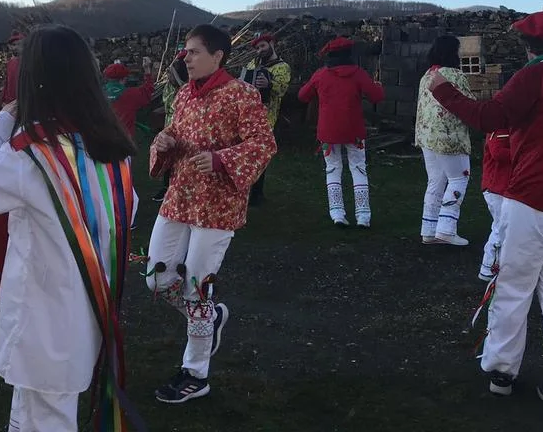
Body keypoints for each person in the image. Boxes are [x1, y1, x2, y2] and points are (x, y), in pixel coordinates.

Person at [0, 25, 142, 432]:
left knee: (44, 420)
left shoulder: (32, 155)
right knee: (41, 415)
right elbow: (129, 211)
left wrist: (2, 120)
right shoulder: (111, 149)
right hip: (89, 315)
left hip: (42, 326)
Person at [427, 7, 543, 420]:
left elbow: (491, 117)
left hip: (536, 198)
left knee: (514, 286)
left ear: (528, 45)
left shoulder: (536, 74)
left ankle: (501, 370)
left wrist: (443, 90)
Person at [147, 24, 276, 404]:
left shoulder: (242, 95)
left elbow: (263, 143)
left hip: (217, 205)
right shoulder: (184, 94)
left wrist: (221, 159)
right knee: (157, 277)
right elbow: (176, 132)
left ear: (218, 56)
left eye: (194, 52)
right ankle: (208, 318)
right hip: (179, 197)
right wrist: (163, 141)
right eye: (185, 51)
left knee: (197, 286)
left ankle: (195, 372)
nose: (185, 58)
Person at [297, 37, 385, 227]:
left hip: (328, 133)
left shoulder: (321, 75)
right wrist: (377, 85)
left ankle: (337, 213)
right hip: (354, 131)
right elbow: (377, 96)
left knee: (333, 169)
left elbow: (303, 96)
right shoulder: (359, 74)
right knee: (358, 168)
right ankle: (363, 216)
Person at [414, 36, 476, 245]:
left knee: (435, 181)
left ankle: (429, 229)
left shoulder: (427, 75)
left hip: (426, 136)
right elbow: (468, 103)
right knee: (459, 178)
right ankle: (446, 228)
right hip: (450, 136)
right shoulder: (455, 75)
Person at [240, 33, 292, 206]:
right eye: (257, 48)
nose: (260, 50)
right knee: (245, 155)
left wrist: (269, 85)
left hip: (267, 118)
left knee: (260, 156)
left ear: (271, 44)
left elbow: (282, 90)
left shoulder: (282, 67)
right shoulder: (252, 64)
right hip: (247, 117)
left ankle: (256, 194)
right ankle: (244, 190)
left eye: (262, 46)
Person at [152, 51, 189, 203]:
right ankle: (166, 187)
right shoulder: (169, 86)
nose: (168, 75)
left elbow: (184, 89)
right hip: (169, 124)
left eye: (171, 73)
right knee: (167, 156)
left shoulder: (186, 89)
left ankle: (179, 188)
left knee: (180, 157)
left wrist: (176, 74)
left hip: (182, 126)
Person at [478, 130, 512, 281]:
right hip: (496, 188)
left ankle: (495, 265)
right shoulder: (499, 128)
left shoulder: (509, 128)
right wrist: (524, 155)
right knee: (501, 227)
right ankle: (490, 267)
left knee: (504, 226)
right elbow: (497, 152)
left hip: (503, 187)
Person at [104, 57, 154, 137]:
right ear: (124, 79)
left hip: (102, 138)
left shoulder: (98, 92)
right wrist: (147, 69)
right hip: (124, 140)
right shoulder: (130, 94)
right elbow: (148, 90)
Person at [1, 31, 25, 106]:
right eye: (13, 45)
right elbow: (7, 83)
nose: (15, 47)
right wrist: (3, 100)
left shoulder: (29, 63)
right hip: (9, 103)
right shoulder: (10, 63)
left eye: (18, 44)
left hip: (22, 103)